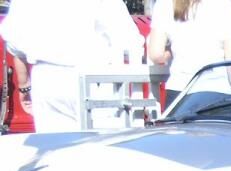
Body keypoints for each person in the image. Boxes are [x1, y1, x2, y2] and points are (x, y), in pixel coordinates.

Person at [0, 0, 141, 132]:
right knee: (104, 145)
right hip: (94, 75)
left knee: (54, 148)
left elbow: (14, 38)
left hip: (47, 76)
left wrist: (24, 86)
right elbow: (128, 39)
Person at [148, 0, 231, 111]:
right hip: (218, 93)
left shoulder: (165, 4)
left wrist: (170, 52)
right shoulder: (226, 5)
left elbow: (156, 54)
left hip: (179, 93)